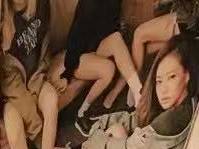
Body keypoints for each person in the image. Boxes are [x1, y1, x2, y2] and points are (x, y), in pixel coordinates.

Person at [57, 36, 199, 149]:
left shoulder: (172, 119)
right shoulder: (189, 104)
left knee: (113, 135)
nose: (163, 90)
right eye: (159, 81)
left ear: (187, 76)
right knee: (119, 125)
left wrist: (99, 139)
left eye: (172, 77)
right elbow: (133, 123)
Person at [0, 0, 61, 149]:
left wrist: (40, 79)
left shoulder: (42, 5)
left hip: (35, 79)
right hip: (11, 93)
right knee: (15, 133)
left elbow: (44, 51)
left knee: (52, 101)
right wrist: (34, 123)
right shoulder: (2, 20)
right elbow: (8, 80)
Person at [50, 0, 143, 134]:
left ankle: (137, 91)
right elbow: (75, 39)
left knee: (117, 38)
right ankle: (82, 113)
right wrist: (67, 74)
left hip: (96, 48)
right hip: (78, 57)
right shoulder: (89, 3)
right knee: (108, 68)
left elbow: (111, 29)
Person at [102, 0, 199, 110]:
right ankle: (129, 92)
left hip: (190, 18)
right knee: (144, 48)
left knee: (139, 34)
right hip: (195, 18)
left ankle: (136, 90)